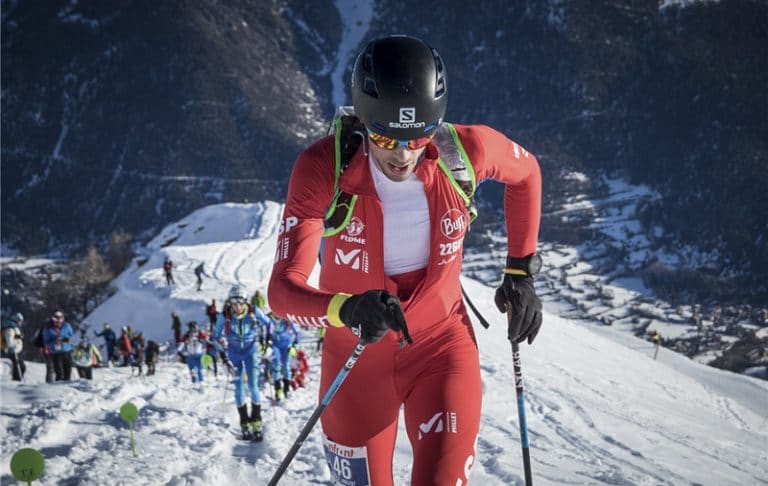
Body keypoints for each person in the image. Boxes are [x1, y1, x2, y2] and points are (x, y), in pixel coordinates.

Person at [268, 35, 543, 485]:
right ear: (362, 119)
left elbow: (526, 173)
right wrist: (346, 309)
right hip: (355, 361)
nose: (403, 154)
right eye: (384, 136)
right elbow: (281, 293)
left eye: (419, 137)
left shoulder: (464, 152)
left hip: (441, 349)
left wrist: (521, 272)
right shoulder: (323, 168)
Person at [212, 284, 272, 441]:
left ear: (245, 301)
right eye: (234, 302)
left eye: (240, 302)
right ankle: (245, 423)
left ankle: (256, 421)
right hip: (234, 355)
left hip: (251, 352)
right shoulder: (224, 316)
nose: (237, 306)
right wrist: (223, 357)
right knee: (238, 388)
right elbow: (215, 337)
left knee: (253, 386)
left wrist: (267, 342)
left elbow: (269, 324)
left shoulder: (253, 311)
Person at [267, 315, 299, 400]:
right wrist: (264, 344)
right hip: (275, 344)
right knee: (276, 364)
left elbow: (297, 332)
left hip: (286, 344)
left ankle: (286, 388)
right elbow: (263, 329)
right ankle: (278, 389)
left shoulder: (287, 317)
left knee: (286, 364)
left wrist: (295, 346)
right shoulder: (269, 318)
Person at [43, 310, 75, 381]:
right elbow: (46, 343)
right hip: (56, 352)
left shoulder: (67, 326)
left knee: (68, 372)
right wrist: (56, 341)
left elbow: (72, 336)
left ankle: (67, 385)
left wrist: (68, 340)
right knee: (59, 373)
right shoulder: (48, 328)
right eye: (56, 318)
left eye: (60, 318)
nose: (58, 321)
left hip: (67, 350)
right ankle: (58, 386)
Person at [2, 312, 26, 381]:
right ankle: (16, 381)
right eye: (20, 321)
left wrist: (18, 337)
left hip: (15, 351)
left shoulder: (14, 327)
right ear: (17, 320)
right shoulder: (10, 328)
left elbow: (13, 337)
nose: (21, 322)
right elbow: (9, 342)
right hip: (12, 352)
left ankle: (17, 380)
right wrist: (18, 339)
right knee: (19, 367)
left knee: (20, 366)